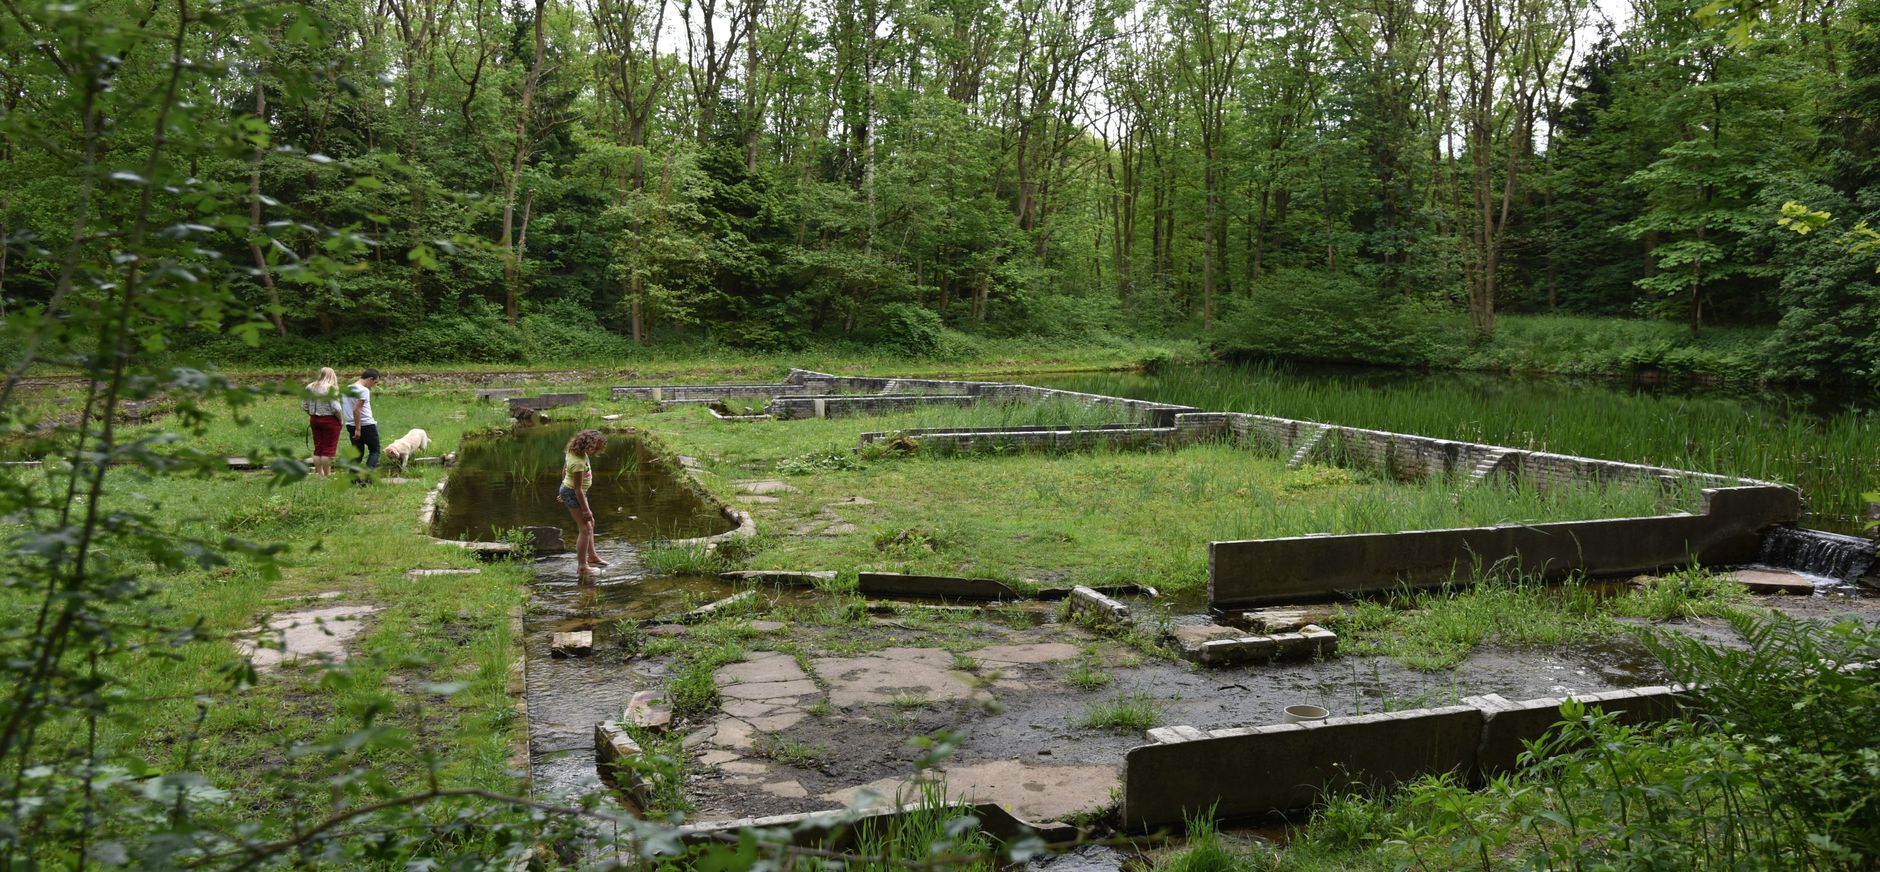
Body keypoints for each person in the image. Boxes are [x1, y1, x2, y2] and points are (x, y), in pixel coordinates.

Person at [559, 429, 610, 578]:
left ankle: (592, 556)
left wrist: (561, 488)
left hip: (571, 492)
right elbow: (577, 489)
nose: (598, 451)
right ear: (589, 445)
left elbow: (564, 470)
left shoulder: (574, 451)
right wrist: (587, 510)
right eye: (597, 448)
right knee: (585, 528)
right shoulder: (578, 462)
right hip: (574, 493)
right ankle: (582, 566)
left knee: (590, 524)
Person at [302, 367, 344, 478]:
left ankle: (320, 475)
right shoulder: (331, 388)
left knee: (318, 447)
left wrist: (312, 414)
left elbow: (304, 405)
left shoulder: (309, 387)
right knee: (328, 449)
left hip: (314, 420)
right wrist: (340, 419)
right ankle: (327, 474)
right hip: (330, 420)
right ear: (332, 375)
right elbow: (336, 408)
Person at [343, 368, 382, 471]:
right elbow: (356, 409)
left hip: (350, 425)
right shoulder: (363, 390)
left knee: (357, 453)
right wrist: (358, 429)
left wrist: (355, 427)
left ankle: (353, 478)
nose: (374, 385)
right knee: (375, 451)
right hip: (366, 425)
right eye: (375, 382)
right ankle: (368, 477)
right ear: (370, 379)